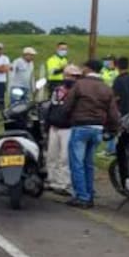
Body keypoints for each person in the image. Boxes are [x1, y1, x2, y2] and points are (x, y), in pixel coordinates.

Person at [64, 59, 119, 208]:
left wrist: (67, 119)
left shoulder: (79, 85)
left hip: (80, 127)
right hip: (97, 129)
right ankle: (89, 195)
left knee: (77, 164)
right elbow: (113, 114)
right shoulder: (106, 88)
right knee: (89, 163)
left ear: (87, 69)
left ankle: (82, 197)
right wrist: (113, 130)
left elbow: (67, 105)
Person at [44, 64, 80, 195]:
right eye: (70, 75)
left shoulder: (78, 92)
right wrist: (47, 125)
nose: (72, 78)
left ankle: (63, 183)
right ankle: (51, 180)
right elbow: (51, 107)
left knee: (64, 157)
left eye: (75, 76)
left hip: (68, 128)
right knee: (51, 155)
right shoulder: (57, 90)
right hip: (54, 126)